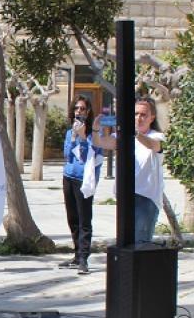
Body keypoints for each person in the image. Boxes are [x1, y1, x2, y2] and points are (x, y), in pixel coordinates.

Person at [93, 96, 165, 243]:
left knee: (140, 243)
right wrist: (95, 128)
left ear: (152, 118)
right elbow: (100, 142)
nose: (139, 118)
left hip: (146, 197)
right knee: (125, 243)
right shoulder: (123, 136)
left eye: (143, 115)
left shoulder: (156, 136)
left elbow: (153, 145)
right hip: (125, 194)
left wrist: (135, 133)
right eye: (136, 114)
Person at [59, 97, 103, 275]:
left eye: (83, 108)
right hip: (68, 177)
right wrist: (74, 136)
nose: (79, 111)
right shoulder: (70, 132)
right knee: (73, 218)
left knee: (84, 219)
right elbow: (67, 155)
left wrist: (83, 137)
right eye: (76, 108)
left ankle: (84, 258)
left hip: (84, 180)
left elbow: (88, 156)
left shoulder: (94, 133)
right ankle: (77, 255)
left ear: (88, 111)